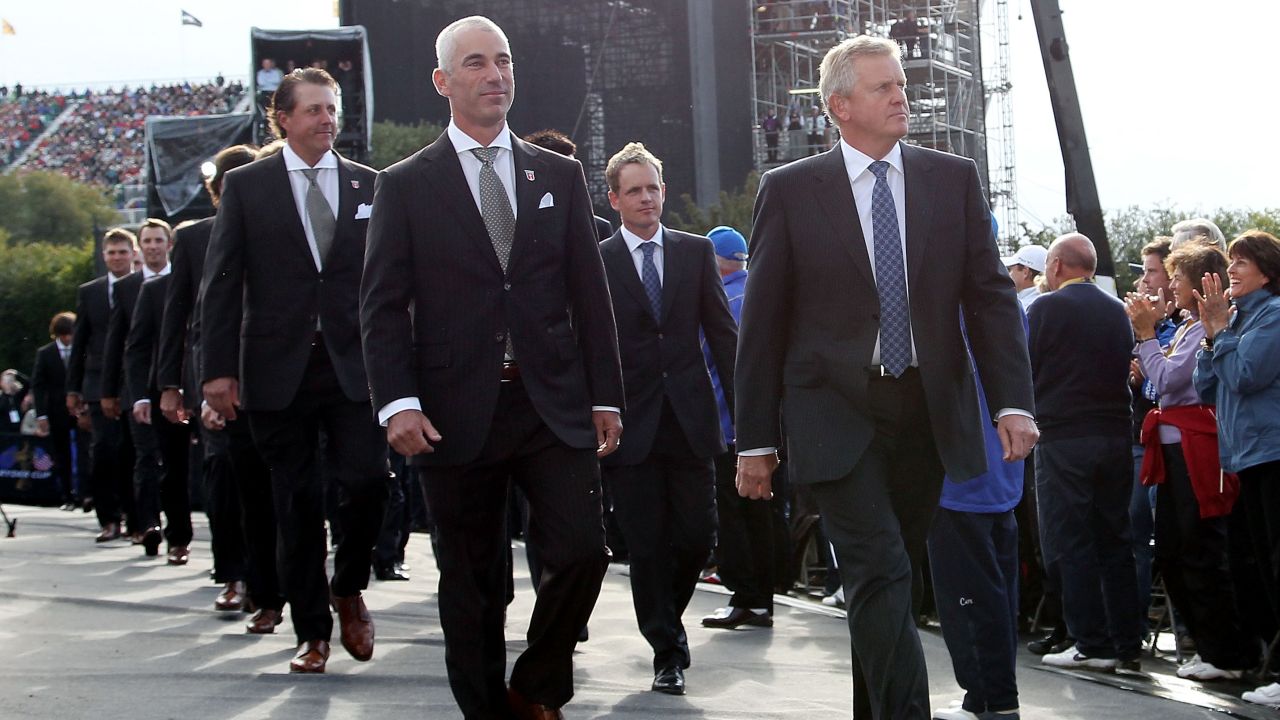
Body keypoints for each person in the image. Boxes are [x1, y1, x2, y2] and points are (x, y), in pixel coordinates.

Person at [734, 36, 1037, 719]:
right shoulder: (789, 191)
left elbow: (989, 300)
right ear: (840, 105)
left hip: (928, 411)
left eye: (900, 84)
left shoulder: (951, 178)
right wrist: (755, 440)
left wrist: (1013, 403)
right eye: (883, 87)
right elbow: (762, 326)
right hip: (834, 412)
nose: (902, 95)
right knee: (880, 570)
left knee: (891, 581)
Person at [359, 16, 623, 719]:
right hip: (450, 412)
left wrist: (606, 395)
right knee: (473, 581)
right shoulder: (406, 184)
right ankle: (484, 709)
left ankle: (535, 685)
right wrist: (397, 403)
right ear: (445, 81)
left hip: (549, 405)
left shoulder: (558, 175)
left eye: (503, 61)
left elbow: (588, 296)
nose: (495, 74)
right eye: (476, 63)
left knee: (582, 552)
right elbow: (382, 307)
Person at [201, 67, 386, 674]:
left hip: (352, 366)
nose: (326, 120)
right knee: (297, 501)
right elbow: (222, 284)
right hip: (275, 370)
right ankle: (312, 633)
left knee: (368, 482)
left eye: (332, 109)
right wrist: (217, 372)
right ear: (282, 118)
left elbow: (390, 284)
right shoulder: (248, 187)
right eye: (313, 110)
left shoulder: (369, 185)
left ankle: (348, 584)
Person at [598, 143, 737, 696]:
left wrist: (749, 417)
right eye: (633, 190)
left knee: (697, 537)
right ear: (614, 200)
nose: (646, 198)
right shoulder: (598, 259)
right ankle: (667, 651)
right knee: (647, 543)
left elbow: (722, 334)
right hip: (628, 424)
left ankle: (666, 622)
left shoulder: (694, 251)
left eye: (652, 187)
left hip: (689, 419)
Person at [157, 145, 280, 621]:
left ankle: (275, 582)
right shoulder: (194, 240)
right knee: (227, 483)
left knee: (282, 487)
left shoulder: (284, 228)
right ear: (217, 194)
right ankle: (233, 575)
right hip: (217, 384)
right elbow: (181, 316)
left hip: (277, 377)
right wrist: (175, 385)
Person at [1127, 242, 1255, 681]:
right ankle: (1209, 645)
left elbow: (1166, 380)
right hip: (1174, 448)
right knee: (1172, 550)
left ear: (1200, 281)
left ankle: (1227, 653)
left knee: (1200, 549)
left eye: (1176, 276)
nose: (1170, 284)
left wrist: (1146, 338)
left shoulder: (1205, 327)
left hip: (1197, 449)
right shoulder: (1186, 328)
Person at [1030, 233, 1143, 672]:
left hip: (1064, 434)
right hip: (1115, 434)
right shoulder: (1117, 311)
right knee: (1115, 538)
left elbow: (1026, 363)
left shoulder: (1045, 308)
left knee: (1071, 539)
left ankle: (1090, 642)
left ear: (1056, 265)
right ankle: (1126, 642)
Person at [1192, 230, 1280, 707]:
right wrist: (1212, 335)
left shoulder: (1274, 315)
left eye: (1242, 263)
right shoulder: (1237, 318)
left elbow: (1247, 375)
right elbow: (1207, 387)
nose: (1232, 271)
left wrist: (1222, 333)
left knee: (1275, 565)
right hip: (1246, 457)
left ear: (1267, 270)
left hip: (1274, 454)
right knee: (1255, 567)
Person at [699, 225, 776, 632]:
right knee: (760, 515)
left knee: (732, 515)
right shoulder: (756, 293)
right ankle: (761, 600)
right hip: (763, 427)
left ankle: (745, 596)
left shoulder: (722, 299)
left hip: (727, 424)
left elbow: (708, 364)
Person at [100, 219, 173, 556]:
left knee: (174, 462)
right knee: (145, 457)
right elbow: (118, 343)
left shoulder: (183, 279)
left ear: (169, 244)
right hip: (137, 388)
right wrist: (109, 392)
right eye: (148, 241)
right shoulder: (128, 288)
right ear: (140, 247)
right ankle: (147, 525)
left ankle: (178, 532)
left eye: (159, 240)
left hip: (176, 385)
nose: (154, 246)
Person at [67, 228, 139, 543]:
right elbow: (80, 340)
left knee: (134, 453)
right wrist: (74, 389)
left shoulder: (145, 287)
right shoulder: (90, 292)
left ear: (132, 254)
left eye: (122, 251)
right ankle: (108, 519)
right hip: (98, 381)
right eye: (111, 252)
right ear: (103, 256)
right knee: (104, 451)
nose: (116, 257)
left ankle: (138, 519)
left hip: (135, 380)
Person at [522, 128, 614, 241]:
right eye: (568, 173)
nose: (578, 181)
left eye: (577, 173)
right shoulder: (515, 226)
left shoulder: (599, 228)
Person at [31, 312, 78, 508]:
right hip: (57, 410)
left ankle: (88, 494)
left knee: (87, 452)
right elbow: (38, 385)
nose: (67, 339)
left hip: (81, 407)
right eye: (63, 335)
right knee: (62, 453)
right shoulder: (46, 353)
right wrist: (41, 414)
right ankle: (68, 495)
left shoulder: (81, 349)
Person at [1002, 244, 1048, 311]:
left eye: (1010, 270)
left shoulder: (1023, 308)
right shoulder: (1047, 301)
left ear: (1025, 272)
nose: (1009, 275)